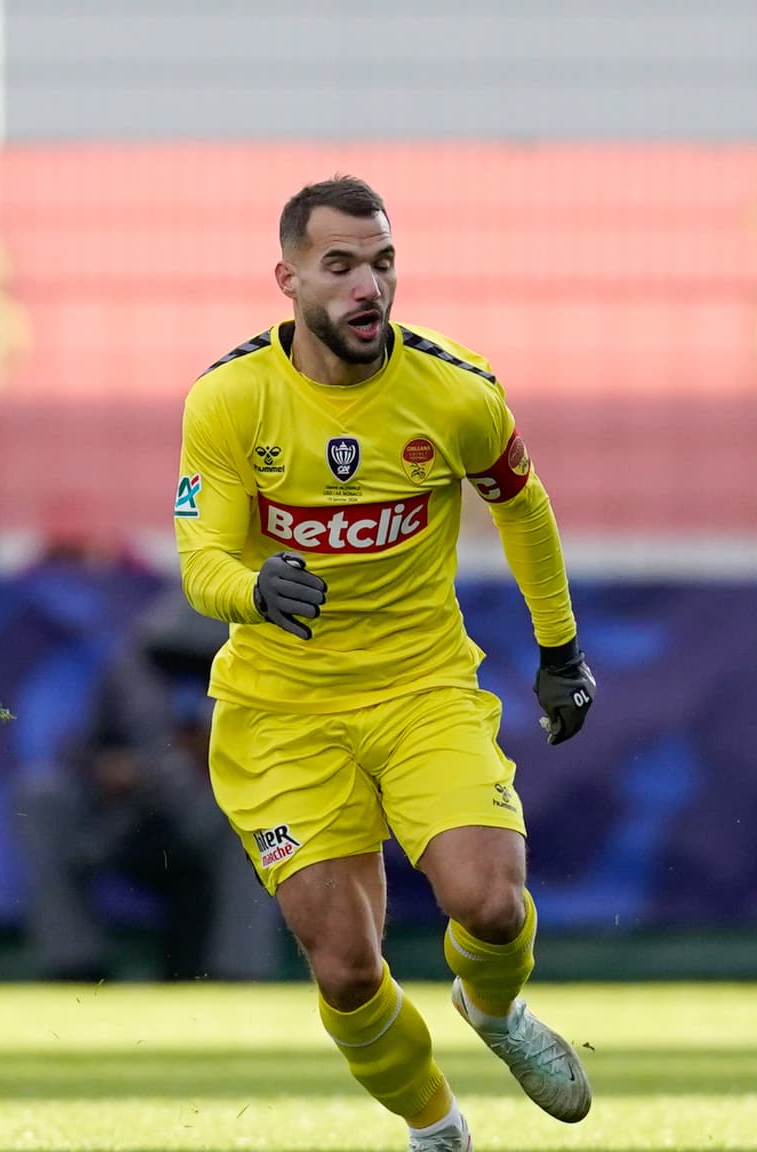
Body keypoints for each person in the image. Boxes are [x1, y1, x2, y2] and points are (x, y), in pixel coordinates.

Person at [174, 176, 599, 1152]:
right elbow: (200, 559)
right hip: (280, 712)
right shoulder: (229, 399)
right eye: (340, 266)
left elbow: (523, 508)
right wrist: (253, 591)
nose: (368, 287)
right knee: (347, 970)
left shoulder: (456, 391)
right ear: (288, 280)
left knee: (492, 904)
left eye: (383, 263)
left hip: (421, 688)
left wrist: (560, 649)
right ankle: (434, 1125)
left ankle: (494, 1010)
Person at [16, 590, 277, 984]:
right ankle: (76, 968)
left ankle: (238, 976)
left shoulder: (257, 670)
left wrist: (220, 756)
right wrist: (109, 767)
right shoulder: (130, 669)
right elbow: (85, 750)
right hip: (127, 818)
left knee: (248, 817)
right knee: (38, 794)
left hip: (208, 822)